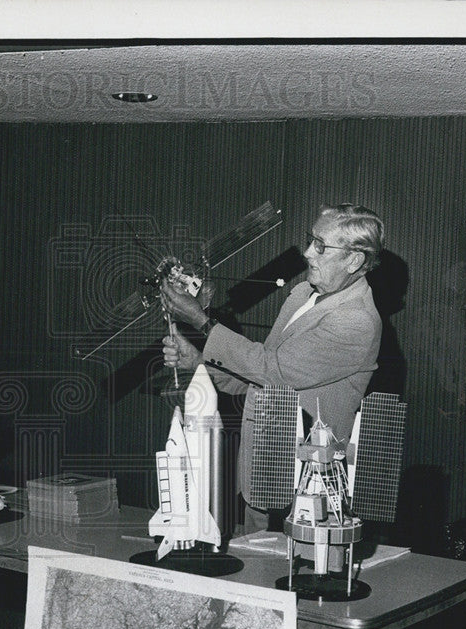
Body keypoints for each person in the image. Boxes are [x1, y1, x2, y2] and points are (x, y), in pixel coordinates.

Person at [160, 203, 384, 535]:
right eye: (311, 240)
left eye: (321, 245)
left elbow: (273, 371)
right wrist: (198, 361)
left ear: (353, 259)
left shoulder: (356, 320)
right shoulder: (304, 294)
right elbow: (261, 378)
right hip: (265, 470)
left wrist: (200, 320)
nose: (308, 252)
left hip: (308, 487)